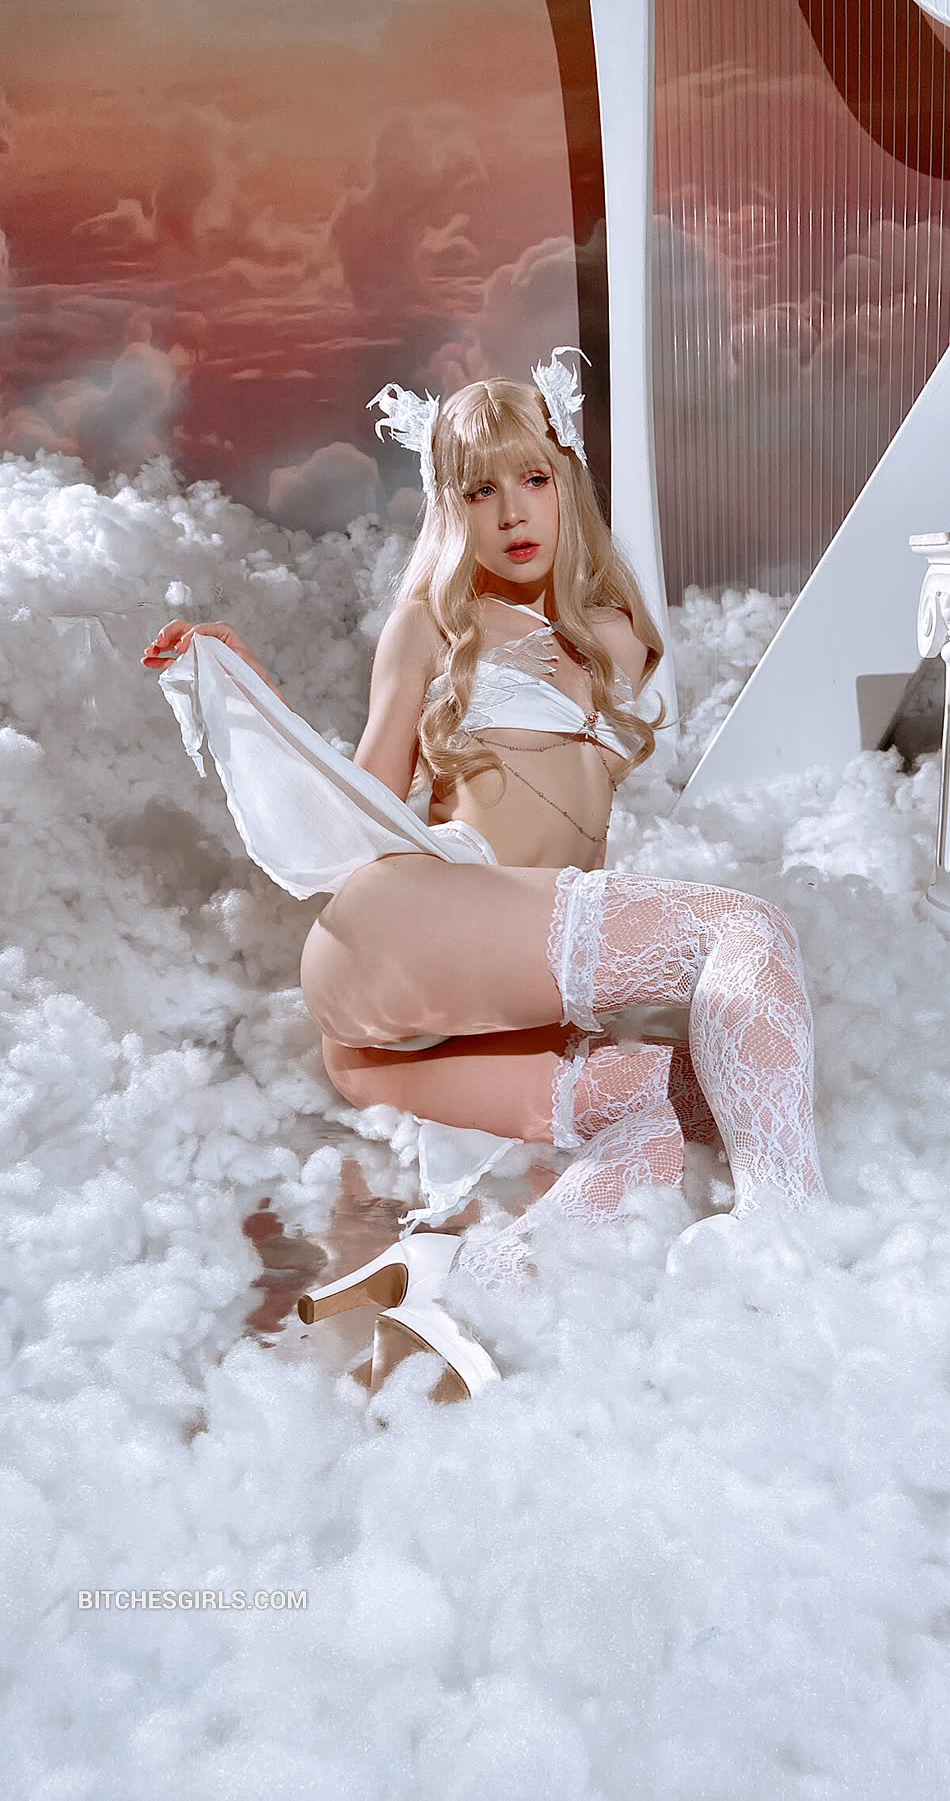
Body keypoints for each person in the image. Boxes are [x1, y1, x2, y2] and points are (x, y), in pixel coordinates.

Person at [142, 350, 827, 1404]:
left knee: (670, 1109)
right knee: (747, 930)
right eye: (477, 490)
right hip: (406, 926)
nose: (510, 512)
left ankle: (464, 1282)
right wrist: (253, 698)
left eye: (533, 478)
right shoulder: (432, 624)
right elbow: (363, 813)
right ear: (447, 507)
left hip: (473, 997)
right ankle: (796, 1251)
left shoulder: (616, 633)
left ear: (566, 480)